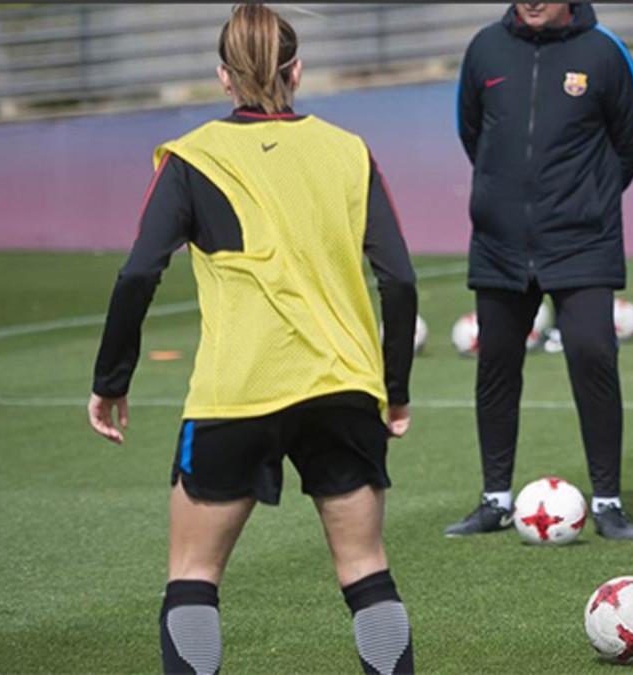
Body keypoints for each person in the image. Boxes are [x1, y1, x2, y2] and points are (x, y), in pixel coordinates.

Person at [86, 5, 418, 672]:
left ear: (222, 78)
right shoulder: (348, 151)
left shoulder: (191, 157)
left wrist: (110, 380)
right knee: (365, 569)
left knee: (193, 574)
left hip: (236, 393)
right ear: (297, 72)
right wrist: (395, 389)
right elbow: (400, 280)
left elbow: (137, 273)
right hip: (345, 388)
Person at [449, 2, 633, 540]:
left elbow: (632, 141)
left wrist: (586, 200)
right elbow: (474, 134)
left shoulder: (605, 52)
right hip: (498, 243)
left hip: (582, 242)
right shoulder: (484, 48)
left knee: (592, 357)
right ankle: (494, 498)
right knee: (496, 368)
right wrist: (502, 197)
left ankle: (607, 501)